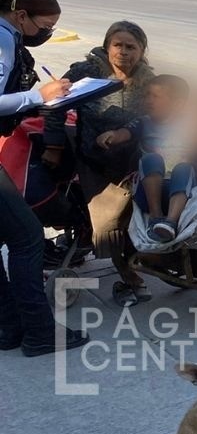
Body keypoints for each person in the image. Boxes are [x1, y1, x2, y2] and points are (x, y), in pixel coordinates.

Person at [0, 0, 89, 357]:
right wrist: (39, 96)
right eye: (43, 26)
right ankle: (38, 332)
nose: (46, 34)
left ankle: (10, 326)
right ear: (21, 16)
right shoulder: (3, 38)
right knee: (28, 239)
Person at [41, 21, 155, 267]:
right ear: (107, 46)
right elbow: (54, 105)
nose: (123, 52)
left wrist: (127, 132)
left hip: (133, 160)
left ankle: (132, 267)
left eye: (131, 47)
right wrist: (53, 146)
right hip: (92, 161)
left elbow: (158, 116)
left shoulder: (149, 81)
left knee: (136, 221)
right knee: (108, 225)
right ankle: (125, 274)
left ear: (142, 51)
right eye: (117, 45)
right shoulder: (85, 72)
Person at [98, 74, 193, 246]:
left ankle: (170, 222)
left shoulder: (191, 126)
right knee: (151, 159)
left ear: (178, 104)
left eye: (155, 96)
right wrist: (112, 135)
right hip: (148, 193)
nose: (148, 100)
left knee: (184, 168)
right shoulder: (143, 122)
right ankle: (155, 217)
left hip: (181, 194)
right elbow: (125, 132)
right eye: (147, 95)